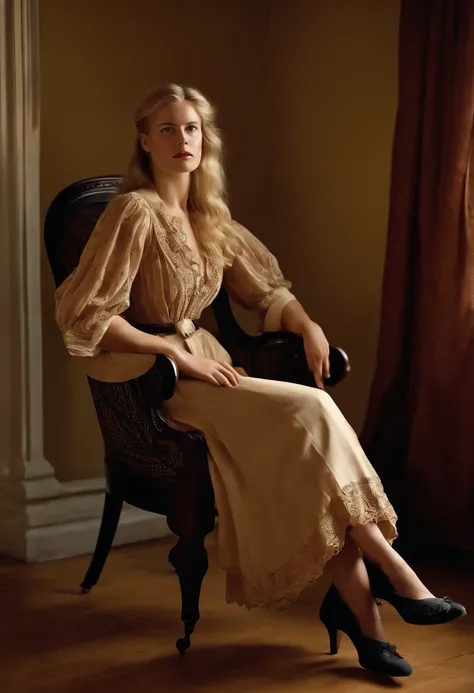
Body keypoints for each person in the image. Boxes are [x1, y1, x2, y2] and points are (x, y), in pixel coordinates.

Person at [54, 84, 466, 677]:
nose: (181, 140)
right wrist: (176, 351)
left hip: (213, 364)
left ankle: (368, 624)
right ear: (144, 141)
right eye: (167, 129)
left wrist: (309, 326)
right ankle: (396, 573)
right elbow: (87, 313)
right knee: (314, 411)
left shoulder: (211, 217)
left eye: (191, 128)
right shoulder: (133, 210)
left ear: (205, 140)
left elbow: (266, 292)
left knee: (311, 459)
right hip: (164, 378)